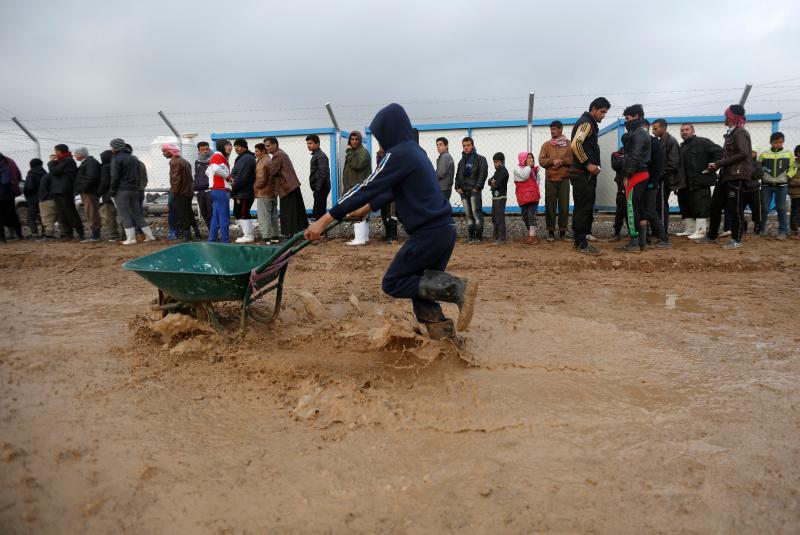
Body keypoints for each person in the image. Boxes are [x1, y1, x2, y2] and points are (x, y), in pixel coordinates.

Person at [304, 103, 478, 341]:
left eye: (380, 137)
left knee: (394, 282)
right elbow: (393, 190)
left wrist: (323, 220)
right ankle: (446, 342)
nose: (380, 144)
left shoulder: (398, 154)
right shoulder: (415, 153)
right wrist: (368, 207)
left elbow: (367, 186)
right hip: (442, 231)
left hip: (428, 234)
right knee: (421, 287)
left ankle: (458, 288)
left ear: (390, 131)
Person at [698, 105, 752, 249]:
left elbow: (743, 153)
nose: (725, 118)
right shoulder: (731, 134)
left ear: (731, 117)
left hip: (736, 176)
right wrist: (717, 166)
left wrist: (719, 163)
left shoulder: (740, 133)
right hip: (726, 176)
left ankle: (736, 239)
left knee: (735, 209)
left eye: (726, 116)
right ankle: (712, 236)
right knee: (715, 206)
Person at [569, 97, 610, 255]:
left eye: (605, 113)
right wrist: (588, 164)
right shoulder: (586, 122)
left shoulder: (589, 123)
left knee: (583, 206)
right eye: (602, 112)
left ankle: (579, 240)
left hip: (584, 174)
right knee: (583, 207)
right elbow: (575, 144)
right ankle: (582, 243)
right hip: (582, 174)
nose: (603, 115)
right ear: (593, 109)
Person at [677, 124, 723, 240]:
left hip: (700, 181)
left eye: (687, 130)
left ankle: (701, 231)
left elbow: (719, 151)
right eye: (682, 130)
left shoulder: (703, 142)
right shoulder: (682, 146)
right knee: (686, 206)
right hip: (685, 183)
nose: (684, 132)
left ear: (693, 131)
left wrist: (712, 167)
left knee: (701, 206)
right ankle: (690, 229)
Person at [618, 104, 652, 253]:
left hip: (636, 175)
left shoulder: (637, 135)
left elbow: (634, 156)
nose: (626, 121)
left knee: (631, 208)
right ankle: (642, 242)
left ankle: (634, 243)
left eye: (628, 118)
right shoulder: (642, 134)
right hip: (642, 173)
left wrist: (626, 175)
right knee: (641, 208)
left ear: (637, 117)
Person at [109, 138, 155, 245]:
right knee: (137, 213)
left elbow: (115, 177)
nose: (111, 148)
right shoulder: (134, 159)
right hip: (134, 190)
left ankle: (131, 238)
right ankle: (150, 236)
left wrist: (112, 191)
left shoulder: (116, 159)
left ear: (116, 147)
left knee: (124, 214)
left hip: (122, 190)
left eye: (112, 146)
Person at [265, 136, 308, 237]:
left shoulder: (277, 155)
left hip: (287, 188)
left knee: (288, 212)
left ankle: (289, 234)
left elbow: (272, 172)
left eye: (268, 146)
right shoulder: (282, 153)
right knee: (296, 211)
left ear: (275, 145)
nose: (266, 148)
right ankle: (297, 233)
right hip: (292, 186)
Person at [757, 131, 796, 240]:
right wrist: (761, 176)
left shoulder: (788, 153)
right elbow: (759, 167)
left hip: (782, 185)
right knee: (764, 208)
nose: (778, 144)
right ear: (770, 142)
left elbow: (793, 167)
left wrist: (788, 176)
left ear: (783, 142)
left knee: (781, 208)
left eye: (780, 142)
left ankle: (783, 231)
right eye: (775, 142)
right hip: (766, 185)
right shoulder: (764, 154)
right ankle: (762, 229)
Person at [539, 120, 572, 241]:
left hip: (564, 179)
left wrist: (563, 161)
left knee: (564, 207)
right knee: (550, 206)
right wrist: (552, 161)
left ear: (560, 129)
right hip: (550, 179)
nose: (552, 132)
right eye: (551, 129)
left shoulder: (569, 144)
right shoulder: (546, 145)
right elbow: (541, 161)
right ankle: (551, 232)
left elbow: (573, 160)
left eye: (554, 129)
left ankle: (563, 233)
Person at [642, 119, 670, 248]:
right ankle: (645, 237)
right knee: (644, 210)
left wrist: (653, 182)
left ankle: (663, 238)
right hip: (643, 182)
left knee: (650, 210)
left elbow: (657, 165)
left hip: (651, 183)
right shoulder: (643, 142)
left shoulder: (653, 143)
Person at [47, 144, 84, 241]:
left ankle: (80, 233)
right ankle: (68, 233)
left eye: (56, 151)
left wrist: (51, 162)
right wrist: (54, 162)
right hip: (58, 191)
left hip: (65, 190)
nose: (55, 153)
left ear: (60, 151)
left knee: (70, 212)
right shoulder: (61, 161)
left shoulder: (68, 160)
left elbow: (55, 171)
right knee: (62, 213)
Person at [455, 137, 488, 244]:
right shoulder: (461, 161)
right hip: (464, 191)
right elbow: (458, 175)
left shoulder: (480, 159)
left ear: (472, 145)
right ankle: (471, 236)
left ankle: (478, 237)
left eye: (468, 145)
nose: (466, 147)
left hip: (474, 190)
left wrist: (477, 187)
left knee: (476, 213)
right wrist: (457, 187)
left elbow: (483, 174)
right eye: (464, 145)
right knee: (468, 214)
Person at [341, 130, 371, 245]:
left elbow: (357, 165)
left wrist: (348, 151)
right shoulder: (354, 152)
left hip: (359, 187)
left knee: (358, 212)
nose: (354, 141)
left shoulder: (363, 152)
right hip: (353, 187)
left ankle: (359, 239)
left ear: (360, 140)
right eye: (352, 139)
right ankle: (364, 237)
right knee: (360, 212)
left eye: (356, 139)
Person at [651, 118, 681, 235]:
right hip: (660, 178)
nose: (653, 131)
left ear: (663, 128)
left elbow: (673, 163)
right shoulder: (660, 140)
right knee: (657, 204)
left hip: (665, 179)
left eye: (655, 128)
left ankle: (662, 233)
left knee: (662, 205)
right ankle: (658, 231)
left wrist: (660, 173)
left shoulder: (670, 141)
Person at [162, 144, 195, 242]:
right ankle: (194, 234)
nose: (163, 153)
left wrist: (174, 193)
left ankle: (187, 237)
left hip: (180, 193)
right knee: (188, 214)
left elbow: (175, 180)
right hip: (188, 192)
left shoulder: (175, 162)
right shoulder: (184, 161)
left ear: (170, 151)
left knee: (182, 214)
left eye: (164, 151)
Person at [230, 138, 257, 243]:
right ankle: (246, 234)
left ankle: (249, 235)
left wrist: (233, 188)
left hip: (245, 192)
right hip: (241, 192)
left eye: (239, 146)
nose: (237, 148)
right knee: (238, 212)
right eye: (235, 146)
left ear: (244, 147)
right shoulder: (242, 158)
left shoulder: (246, 158)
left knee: (243, 213)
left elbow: (242, 177)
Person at [206, 138, 233, 243]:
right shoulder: (218, 156)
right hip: (221, 190)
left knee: (215, 216)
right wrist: (228, 177)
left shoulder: (215, 157)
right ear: (222, 146)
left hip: (215, 190)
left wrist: (213, 181)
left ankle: (212, 239)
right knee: (224, 216)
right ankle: (225, 240)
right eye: (227, 145)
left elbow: (208, 172)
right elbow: (216, 169)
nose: (230, 147)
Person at [73, 147, 102, 242]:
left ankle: (95, 236)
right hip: (89, 191)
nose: (75, 156)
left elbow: (91, 177)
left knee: (91, 212)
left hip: (90, 192)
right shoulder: (89, 162)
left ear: (81, 154)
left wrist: (82, 188)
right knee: (91, 212)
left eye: (76, 154)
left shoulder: (90, 162)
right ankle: (95, 234)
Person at [254, 142, 279, 244]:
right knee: (273, 216)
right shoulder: (270, 159)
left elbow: (261, 179)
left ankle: (266, 238)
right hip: (272, 192)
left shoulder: (262, 162)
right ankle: (275, 236)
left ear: (262, 151)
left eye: (256, 151)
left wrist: (255, 187)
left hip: (263, 193)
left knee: (264, 217)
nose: (255, 153)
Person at [514, 152, 541, 244]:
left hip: (533, 197)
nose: (532, 160)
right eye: (529, 158)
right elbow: (524, 176)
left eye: (532, 158)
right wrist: (529, 167)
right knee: (525, 217)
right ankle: (531, 233)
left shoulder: (534, 171)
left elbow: (537, 183)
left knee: (531, 217)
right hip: (523, 198)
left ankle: (532, 236)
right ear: (523, 160)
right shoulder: (517, 169)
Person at [96, 150, 120, 241]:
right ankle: (124, 234)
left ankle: (114, 235)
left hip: (107, 195)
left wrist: (99, 192)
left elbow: (104, 182)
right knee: (121, 215)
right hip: (118, 194)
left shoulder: (105, 167)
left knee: (110, 216)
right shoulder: (117, 165)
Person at [376, 148, 399, 243]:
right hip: (383, 188)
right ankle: (388, 234)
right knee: (384, 212)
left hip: (392, 188)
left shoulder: (391, 154)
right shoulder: (379, 155)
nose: (380, 146)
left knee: (392, 212)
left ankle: (393, 236)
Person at [306, 134, 330, 221]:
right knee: (318, 211)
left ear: (317, 144)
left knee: (319, 212)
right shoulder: (316, 155)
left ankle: (321, 232)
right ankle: (321, 232)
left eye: (311, 143)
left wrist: (318, 188)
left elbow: (323, 174)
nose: (308, 145)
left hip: (321, 188)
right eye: (307, 143)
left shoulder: (320, 156)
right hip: (319, 188)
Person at [0, 152, 23, 241]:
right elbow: (18, 176)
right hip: (10, 193)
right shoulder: (10, 161)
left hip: (3, 193)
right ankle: (19, 234)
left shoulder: (3, 166)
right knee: (12, 213)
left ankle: (2, 238)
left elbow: (5, 181)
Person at [488, 152, 509, 245]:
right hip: (495, 197)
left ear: (502, 161)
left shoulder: (504, 171)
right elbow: (489, 181)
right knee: (494, 217)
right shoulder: (497, 172)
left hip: (501, 197)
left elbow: (497, 183)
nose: (495, 164)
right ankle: (496, 237)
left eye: (497, 162)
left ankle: (501, 238)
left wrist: (493, 182)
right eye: (494, 162)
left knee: (499, 217)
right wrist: (492, 182)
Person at [23, 158, 46, 238]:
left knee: (31, 216)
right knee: (43, 216)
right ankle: (45, 232)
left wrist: (27, 195)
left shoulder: (31, 174)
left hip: (32, 198)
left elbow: (29, 187)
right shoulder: (44, 173)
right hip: (43, 197)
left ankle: (34, 233)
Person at [194, 141, 213, 235]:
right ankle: (211, 232)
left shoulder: (213, 160)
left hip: (210, 191)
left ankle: (215, 233)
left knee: (211, 213)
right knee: (204, 213)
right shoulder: (197, 162)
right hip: (200, 192)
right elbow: (197, 176)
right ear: (198, 150)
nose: (205, 151)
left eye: (207, 149)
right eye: (203, 149)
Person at [610, 147, 628, 240]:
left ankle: (633, 233)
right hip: (621, 186)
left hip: (633, 185)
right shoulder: (616, 154)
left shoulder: (635, 152)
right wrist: (625, 159)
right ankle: (617, 233)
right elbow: (616, 165)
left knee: (632, 209)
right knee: (620, 209)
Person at [37, 170, 58, 240]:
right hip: (59, 199)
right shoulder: (62, 175)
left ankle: (49, 235)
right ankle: (64, 234)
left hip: (47, 199)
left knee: (47, 218)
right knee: (59, 218)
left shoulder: (47, 176)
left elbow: (42, 188)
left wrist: (42, 198)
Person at [436, 137, 455, 202]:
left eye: (440, 145)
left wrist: (431, 177)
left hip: (443, 188)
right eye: (437, 145)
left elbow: (440, 173)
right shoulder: (447, 156)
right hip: (446, 188)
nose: (438, 147)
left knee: (440, 209)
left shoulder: (445, 156)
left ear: (446, 146)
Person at [791, 145, 800, 238]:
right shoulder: (793, 164)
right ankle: (794, 229)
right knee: (795, 211)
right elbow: (790, 179)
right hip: (795, 194)